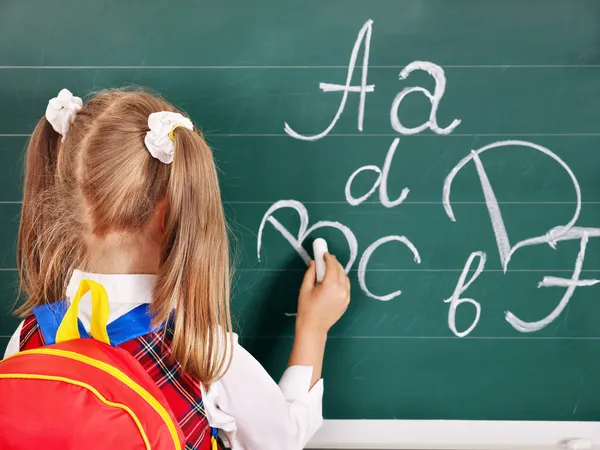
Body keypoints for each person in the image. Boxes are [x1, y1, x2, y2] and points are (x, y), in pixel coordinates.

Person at [3, 88, 351, 450]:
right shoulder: (202, 352)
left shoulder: (27, 342)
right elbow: (282, 440)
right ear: (170, 211)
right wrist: (313, 329)